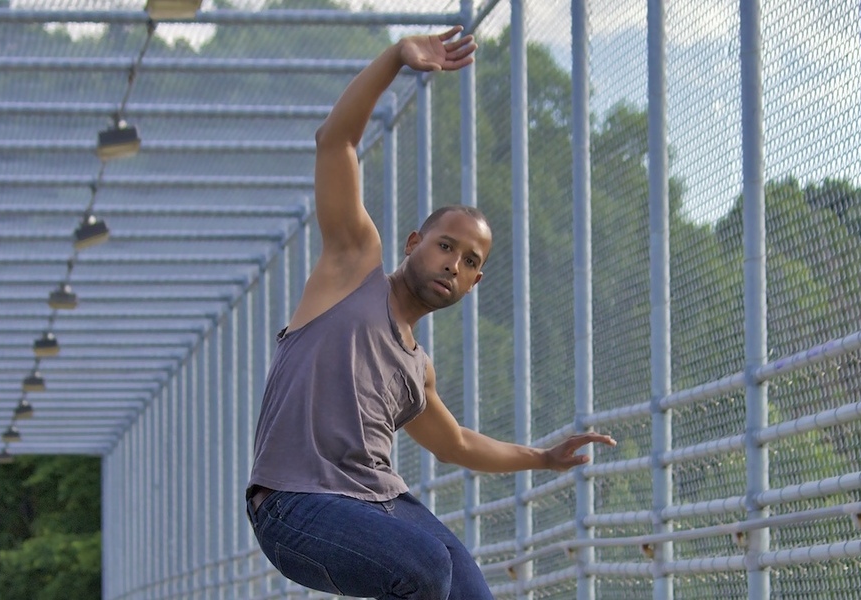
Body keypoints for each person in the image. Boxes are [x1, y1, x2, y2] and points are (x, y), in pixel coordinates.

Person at [245, 26, 617, 600]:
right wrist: (396, 58)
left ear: (474, 283)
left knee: (466, 587)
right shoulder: (352, 269)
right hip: (296, 508)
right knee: (423, 567)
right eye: (445, 246)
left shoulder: (417, 369)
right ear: (413, 241)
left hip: (381, 504)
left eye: (469, 261)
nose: (453, 264)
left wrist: (542, 457)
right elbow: (334, 143)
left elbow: (457, 445)